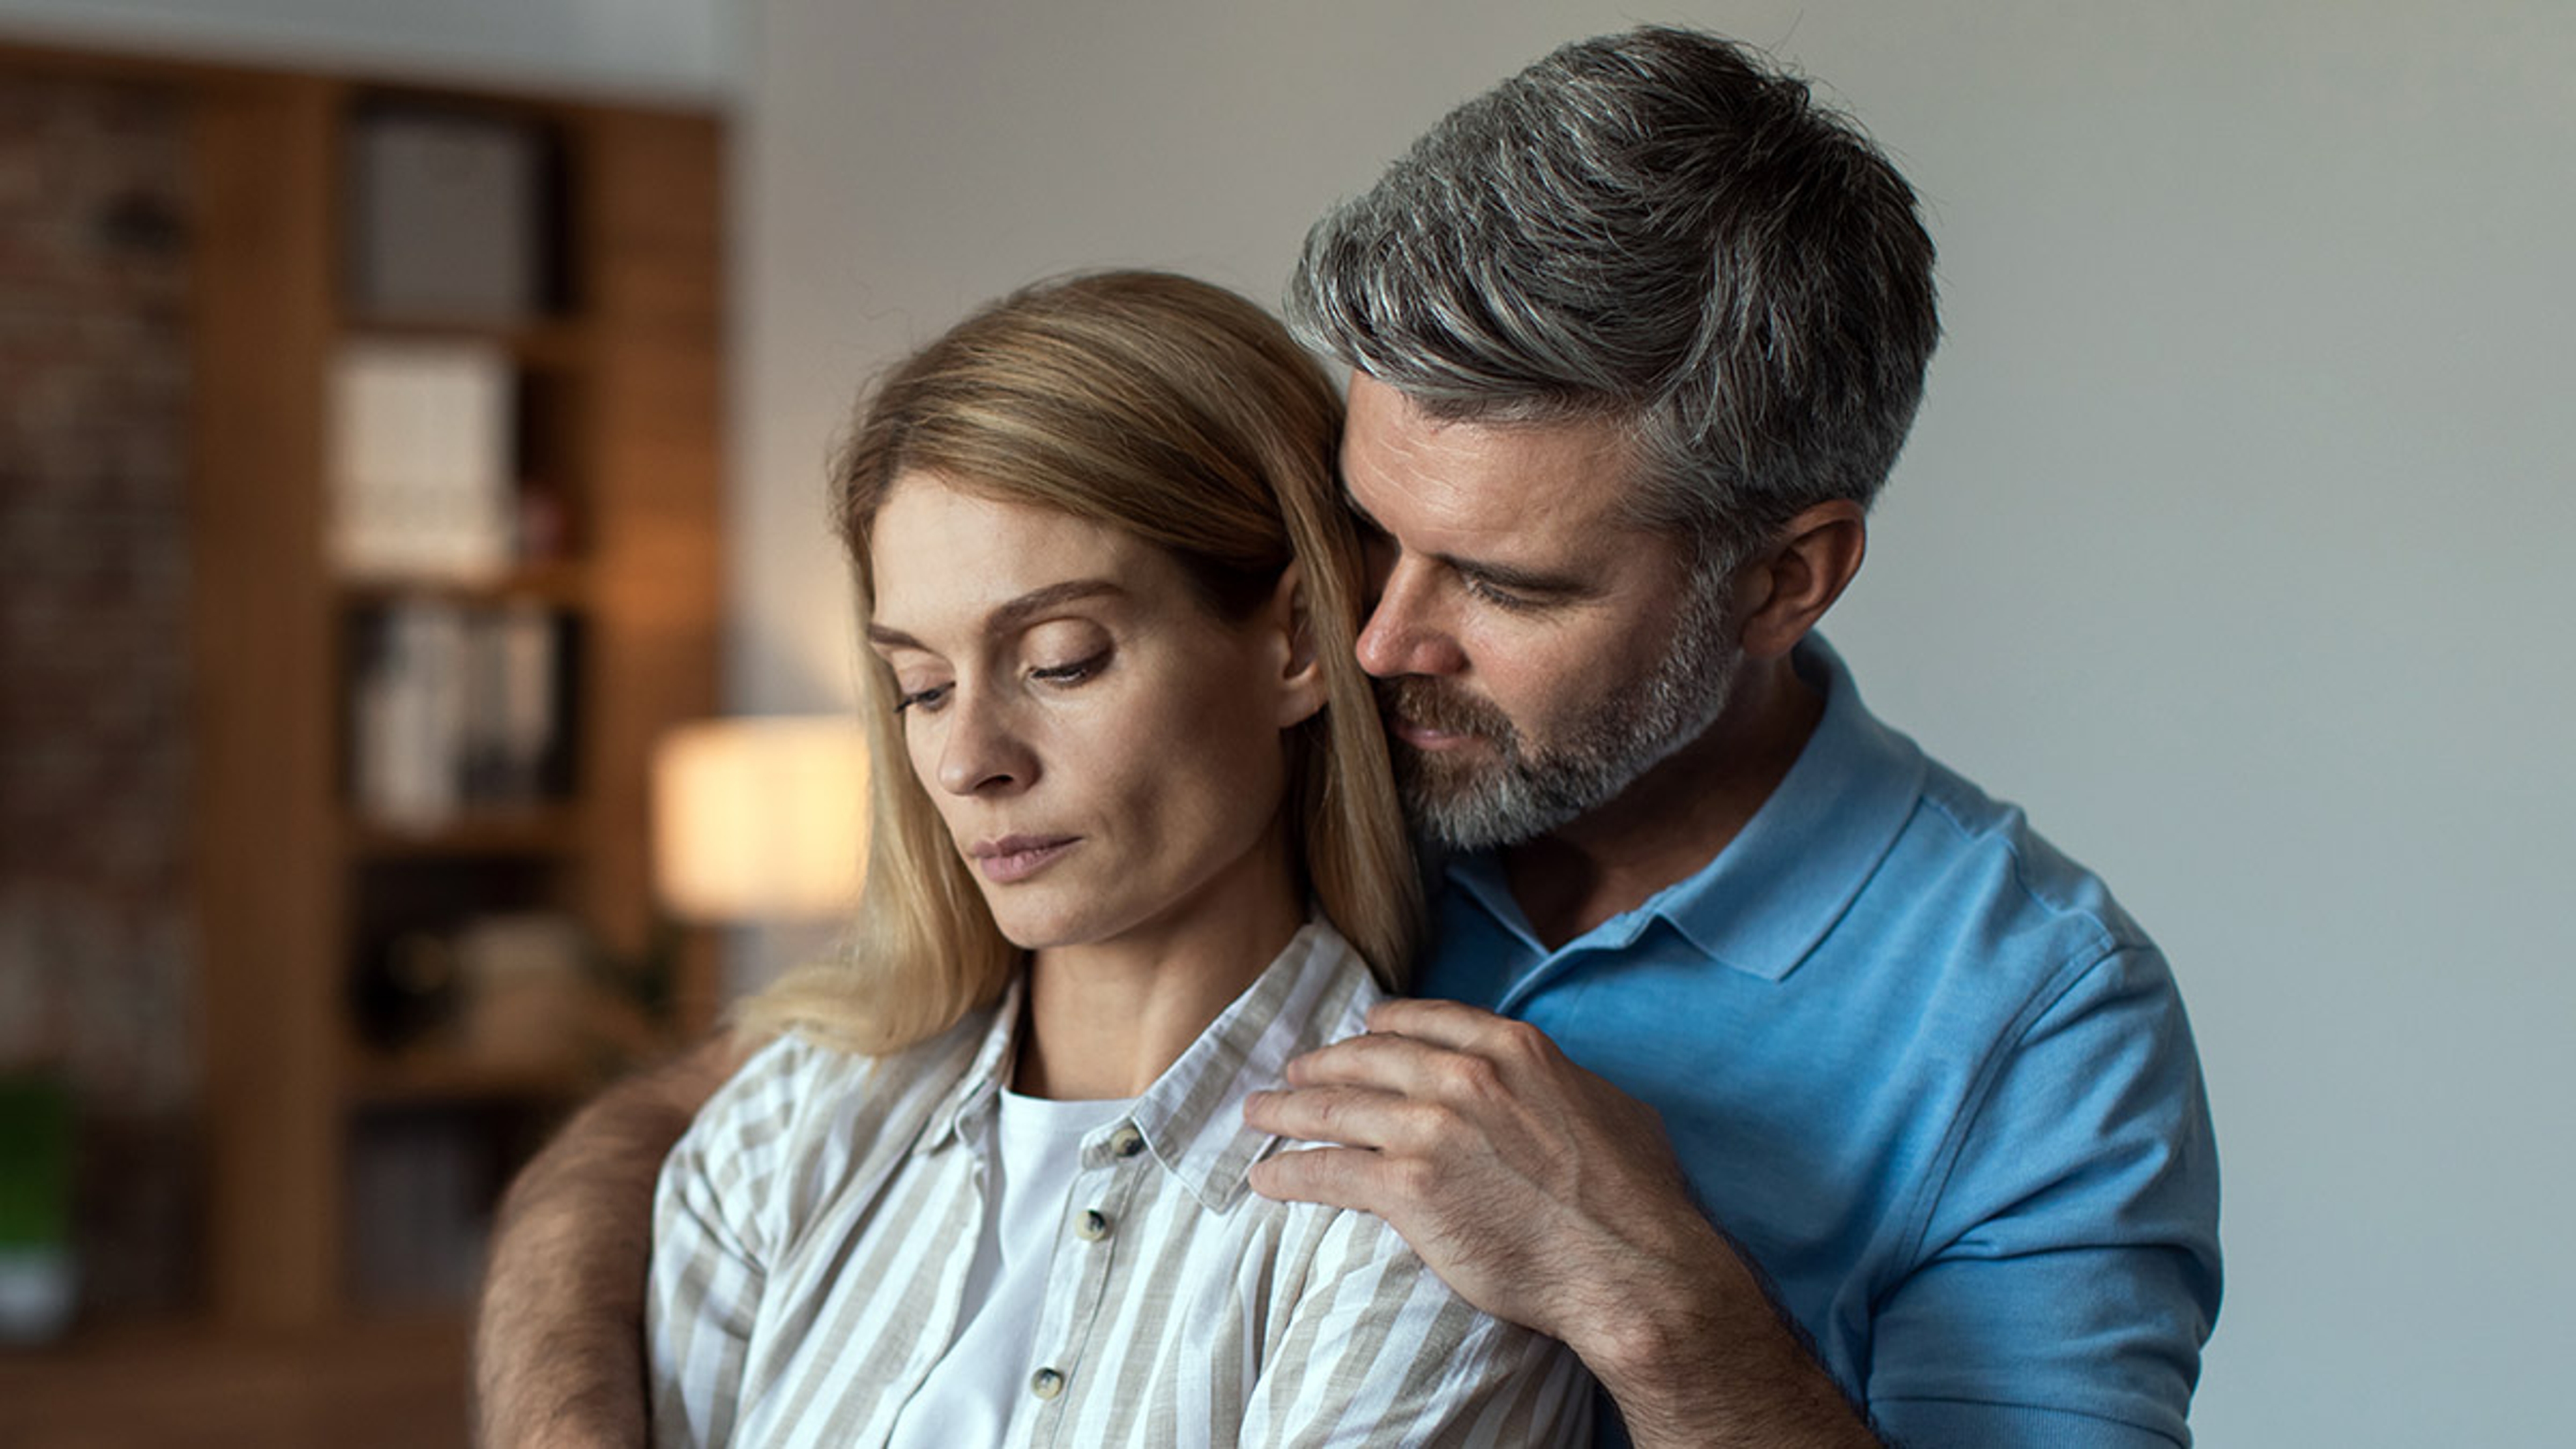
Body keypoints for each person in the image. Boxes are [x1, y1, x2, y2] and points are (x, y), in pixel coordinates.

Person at [476, 27, 2220, 1449]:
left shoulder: (2035, 1025)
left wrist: (1652, 1300)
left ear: (1787, 577)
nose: (1387, 638)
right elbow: (693, 1126)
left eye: (1511, 586)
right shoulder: (1276, 763)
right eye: (1371, 533)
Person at [643, 271, 1589, 1447]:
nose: (969, 759)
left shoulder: (1420, 1205)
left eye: (1061, 660)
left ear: (1296, 640)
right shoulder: (781, 1133)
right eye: (921, 688)